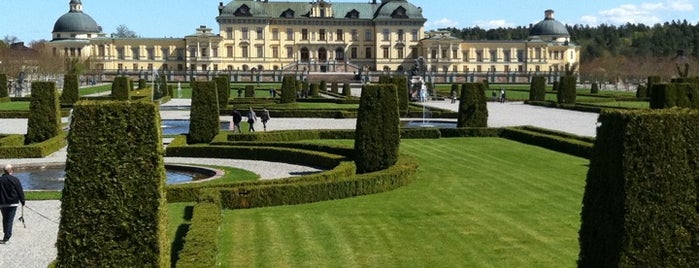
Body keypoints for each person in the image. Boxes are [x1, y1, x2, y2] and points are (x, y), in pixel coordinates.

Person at [0, 164, 25, 244]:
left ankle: (6, 233)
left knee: (5, 219)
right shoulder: (15, 179)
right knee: (9, 219)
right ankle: (6, 237)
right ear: (11, 170)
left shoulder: (0, 180)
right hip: (13, 203)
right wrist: (22, 201)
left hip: (2, 203)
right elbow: (19, 191)